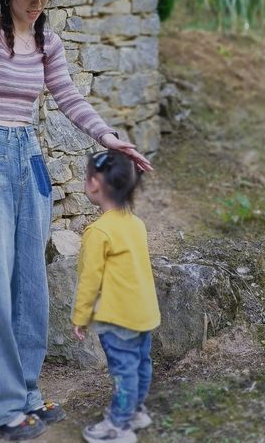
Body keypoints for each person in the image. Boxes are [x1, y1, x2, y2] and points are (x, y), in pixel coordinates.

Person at [0, 0, 152, 441]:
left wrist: (107, 136)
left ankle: (25, 393)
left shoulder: (48, 42)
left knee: (30, 283)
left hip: (28, 155)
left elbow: (68, 97)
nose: (38, 1)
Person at [72, 149, 160, 443]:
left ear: (95, 183)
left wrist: (80, 317)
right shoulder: (136, 224)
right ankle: (136, 412)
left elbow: (89, 280)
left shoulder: (98, 232)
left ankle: (118, 426)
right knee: (140, 364)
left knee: (124, 371)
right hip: (143, 314)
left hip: (117, 317)